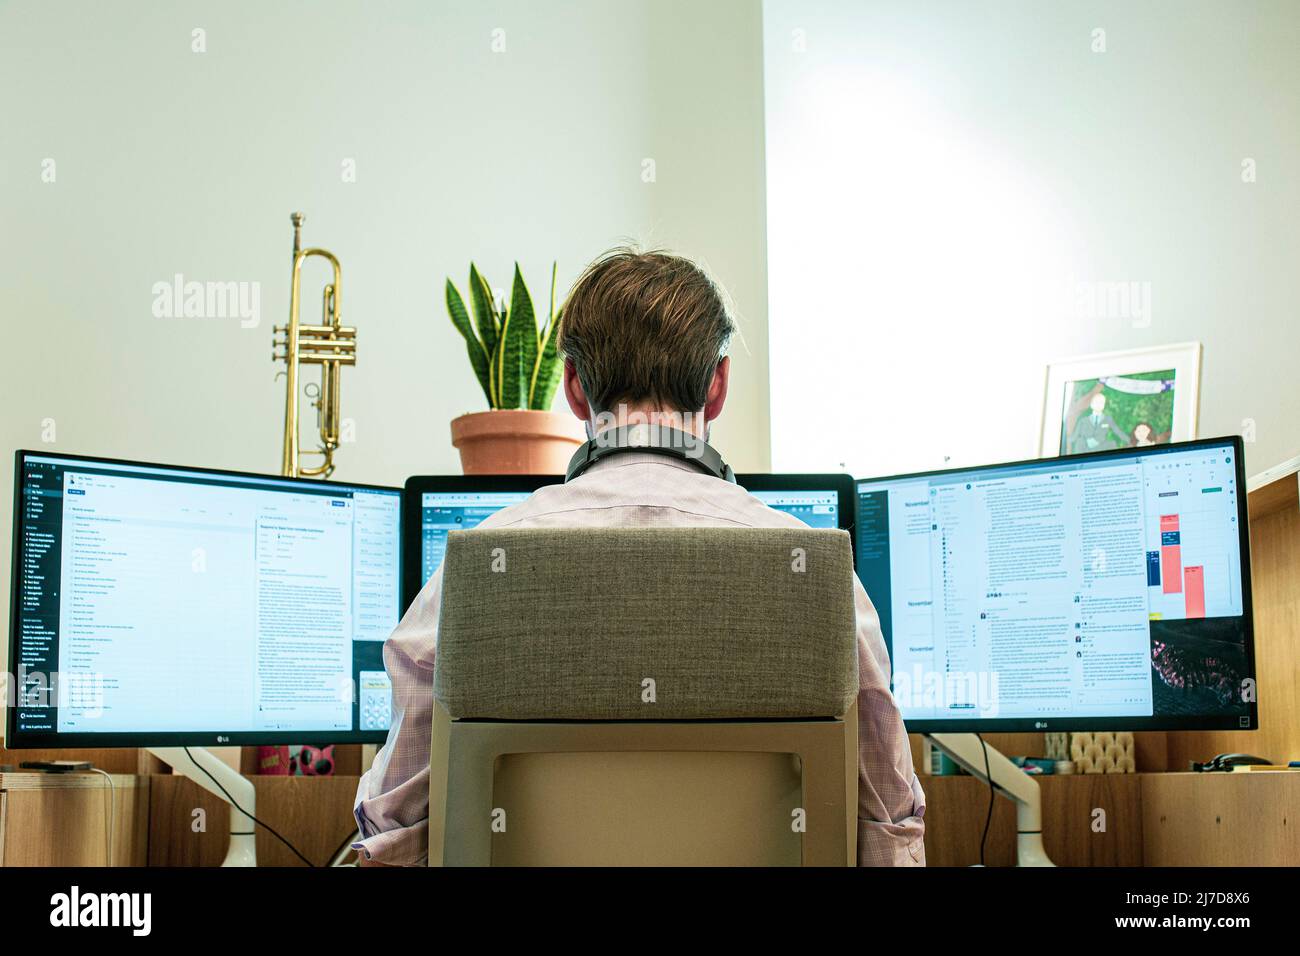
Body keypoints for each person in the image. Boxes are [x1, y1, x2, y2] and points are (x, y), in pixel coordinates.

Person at [352, 248, 926, 866]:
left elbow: (394, 830)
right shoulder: (821, 578)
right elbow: (887, 828)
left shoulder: (474, 569)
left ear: (573, 387)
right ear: (718, 384)